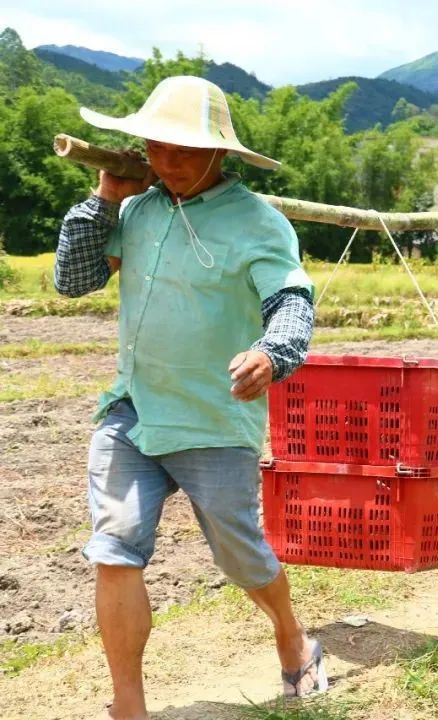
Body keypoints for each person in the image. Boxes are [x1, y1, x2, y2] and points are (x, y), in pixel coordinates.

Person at [54, 76, 324, 718]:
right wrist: (105, 199)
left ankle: (291, 637)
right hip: (134, 409)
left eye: (182, 148)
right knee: (114, 544)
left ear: (219, 153)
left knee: (239, 553)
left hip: (214, 412)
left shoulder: (259, 222)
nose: (165, 159)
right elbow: (74, 281)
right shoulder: (140, 208)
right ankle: (128, 705)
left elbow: (290, 300)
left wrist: (273, 351)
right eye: (155, 145)